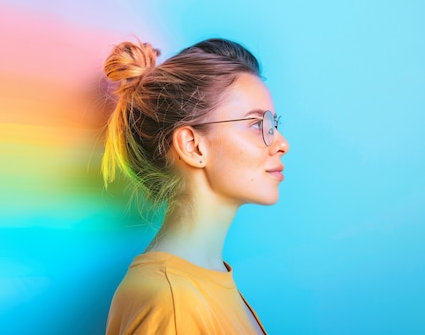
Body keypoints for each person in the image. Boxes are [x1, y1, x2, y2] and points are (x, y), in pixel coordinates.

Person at [102, 38, 289, 334]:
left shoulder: (205, 281)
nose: (281, 144)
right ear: (193, 146)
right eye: (257, 124)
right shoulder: (172, 303)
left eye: (274, 124)